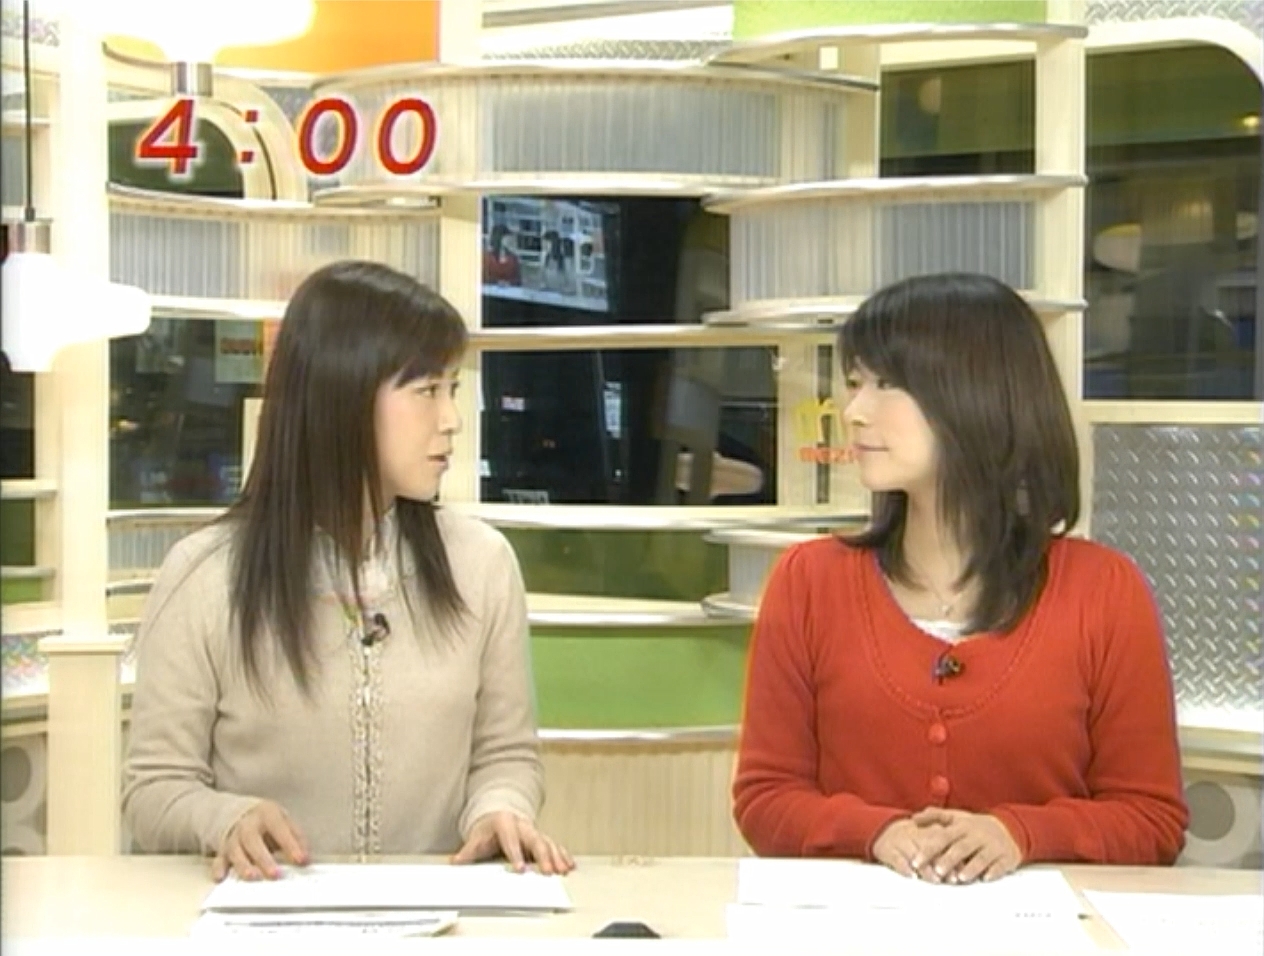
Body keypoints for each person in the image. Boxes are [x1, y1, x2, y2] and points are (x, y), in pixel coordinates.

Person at [122, 260, 574, 881]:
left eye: (452, 388)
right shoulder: (203, 575)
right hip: (267, 916)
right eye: (427, 391)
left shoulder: (482, 564)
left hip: (439, 917)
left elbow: (506, 754)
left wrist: (500, 809)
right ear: (343, 399)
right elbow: (153, 790)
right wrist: (223, 817)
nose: (451, 418)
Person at [732, 272, 1189, 883]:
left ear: (977, 395)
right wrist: (876, 834)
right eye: (855, 382)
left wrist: (1020, 834)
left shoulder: (1104, 591)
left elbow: (1151, 820)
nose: (855, 411)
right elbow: (765, 799)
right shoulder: (808, 581)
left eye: (887, 384)